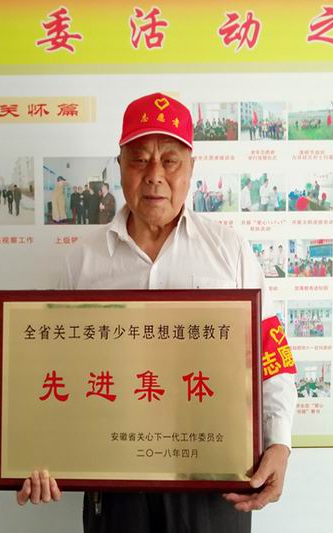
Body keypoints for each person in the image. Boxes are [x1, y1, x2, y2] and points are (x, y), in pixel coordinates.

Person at [17, 93, 296, 532]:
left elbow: (271, 352)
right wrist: (36, 451)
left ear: (191, 168)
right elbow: (50, 369)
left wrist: (279, 441)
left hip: (213, 478)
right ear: (119, 165)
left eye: (170, 161)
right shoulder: (82, 263)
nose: (154, 176)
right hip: (114, 479)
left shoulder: (230, 252)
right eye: (139, 160)